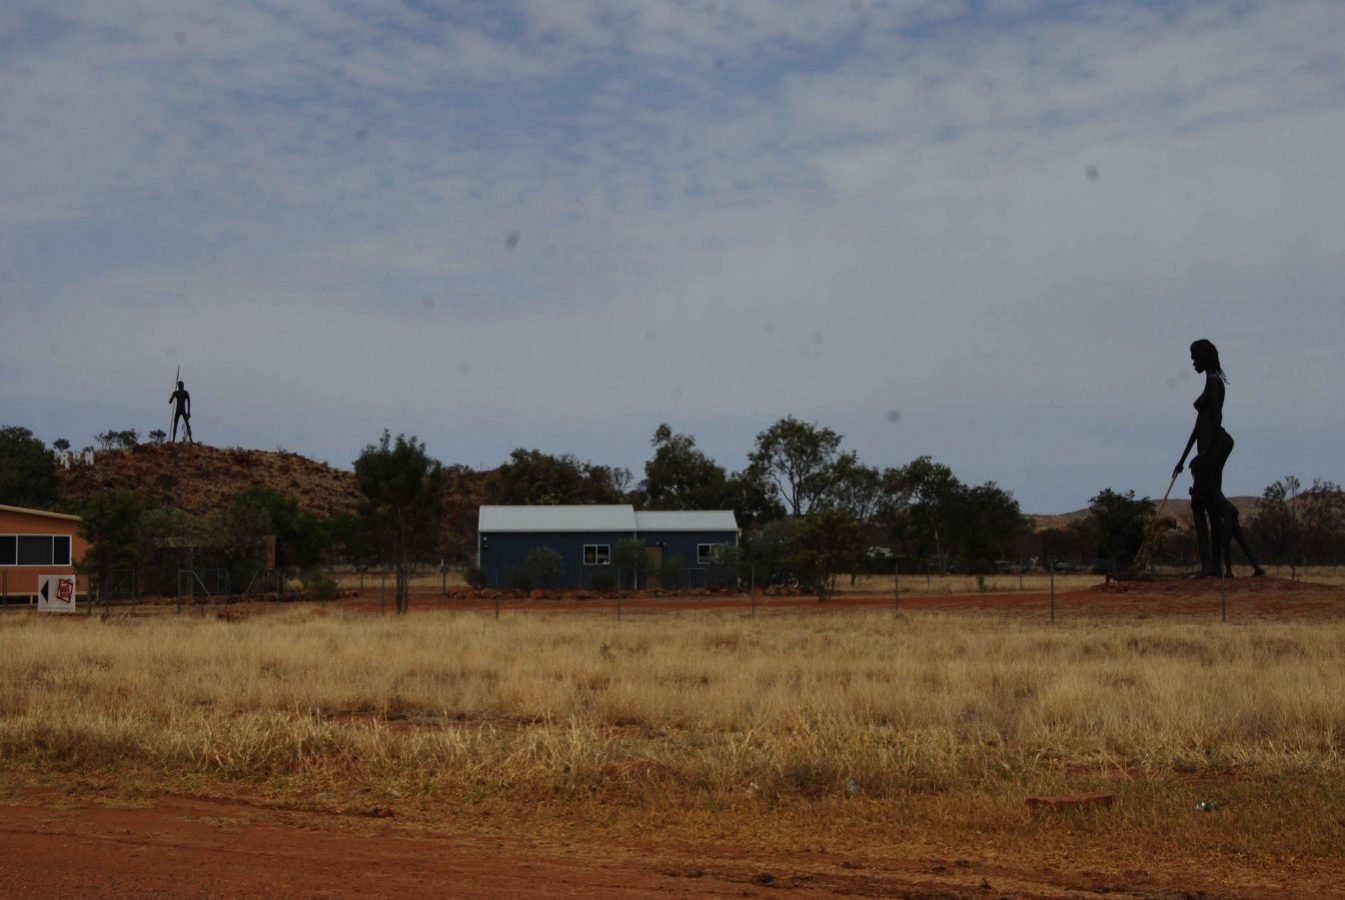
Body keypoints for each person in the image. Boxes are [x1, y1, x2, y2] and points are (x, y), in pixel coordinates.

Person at [1173, 339, 1232, 577]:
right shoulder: (1211, 381)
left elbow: (1217, 419)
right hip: (1205, 452)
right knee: (1208, 506)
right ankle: (1213, 565)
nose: (1192, 360)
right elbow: (1198, 427)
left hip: (1208, 454)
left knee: (1201, 504)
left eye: (1194, 356)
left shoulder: (1213, 382)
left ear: (1205, 356)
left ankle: (1209, 565)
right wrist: (1183, 458)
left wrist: (1204, 456)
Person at [169, 380, 194, 444]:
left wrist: (188, 412)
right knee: (175, 425)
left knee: (187, 425)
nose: (181, 387)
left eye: (182, 386)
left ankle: (191, 440)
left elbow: (188, 402)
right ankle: (173, 440)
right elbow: (170, 401)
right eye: (180, 386)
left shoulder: (185, 393)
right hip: (178, 410)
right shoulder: (176, 393)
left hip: (183, 410)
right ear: (178, 386)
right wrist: (173, 396)